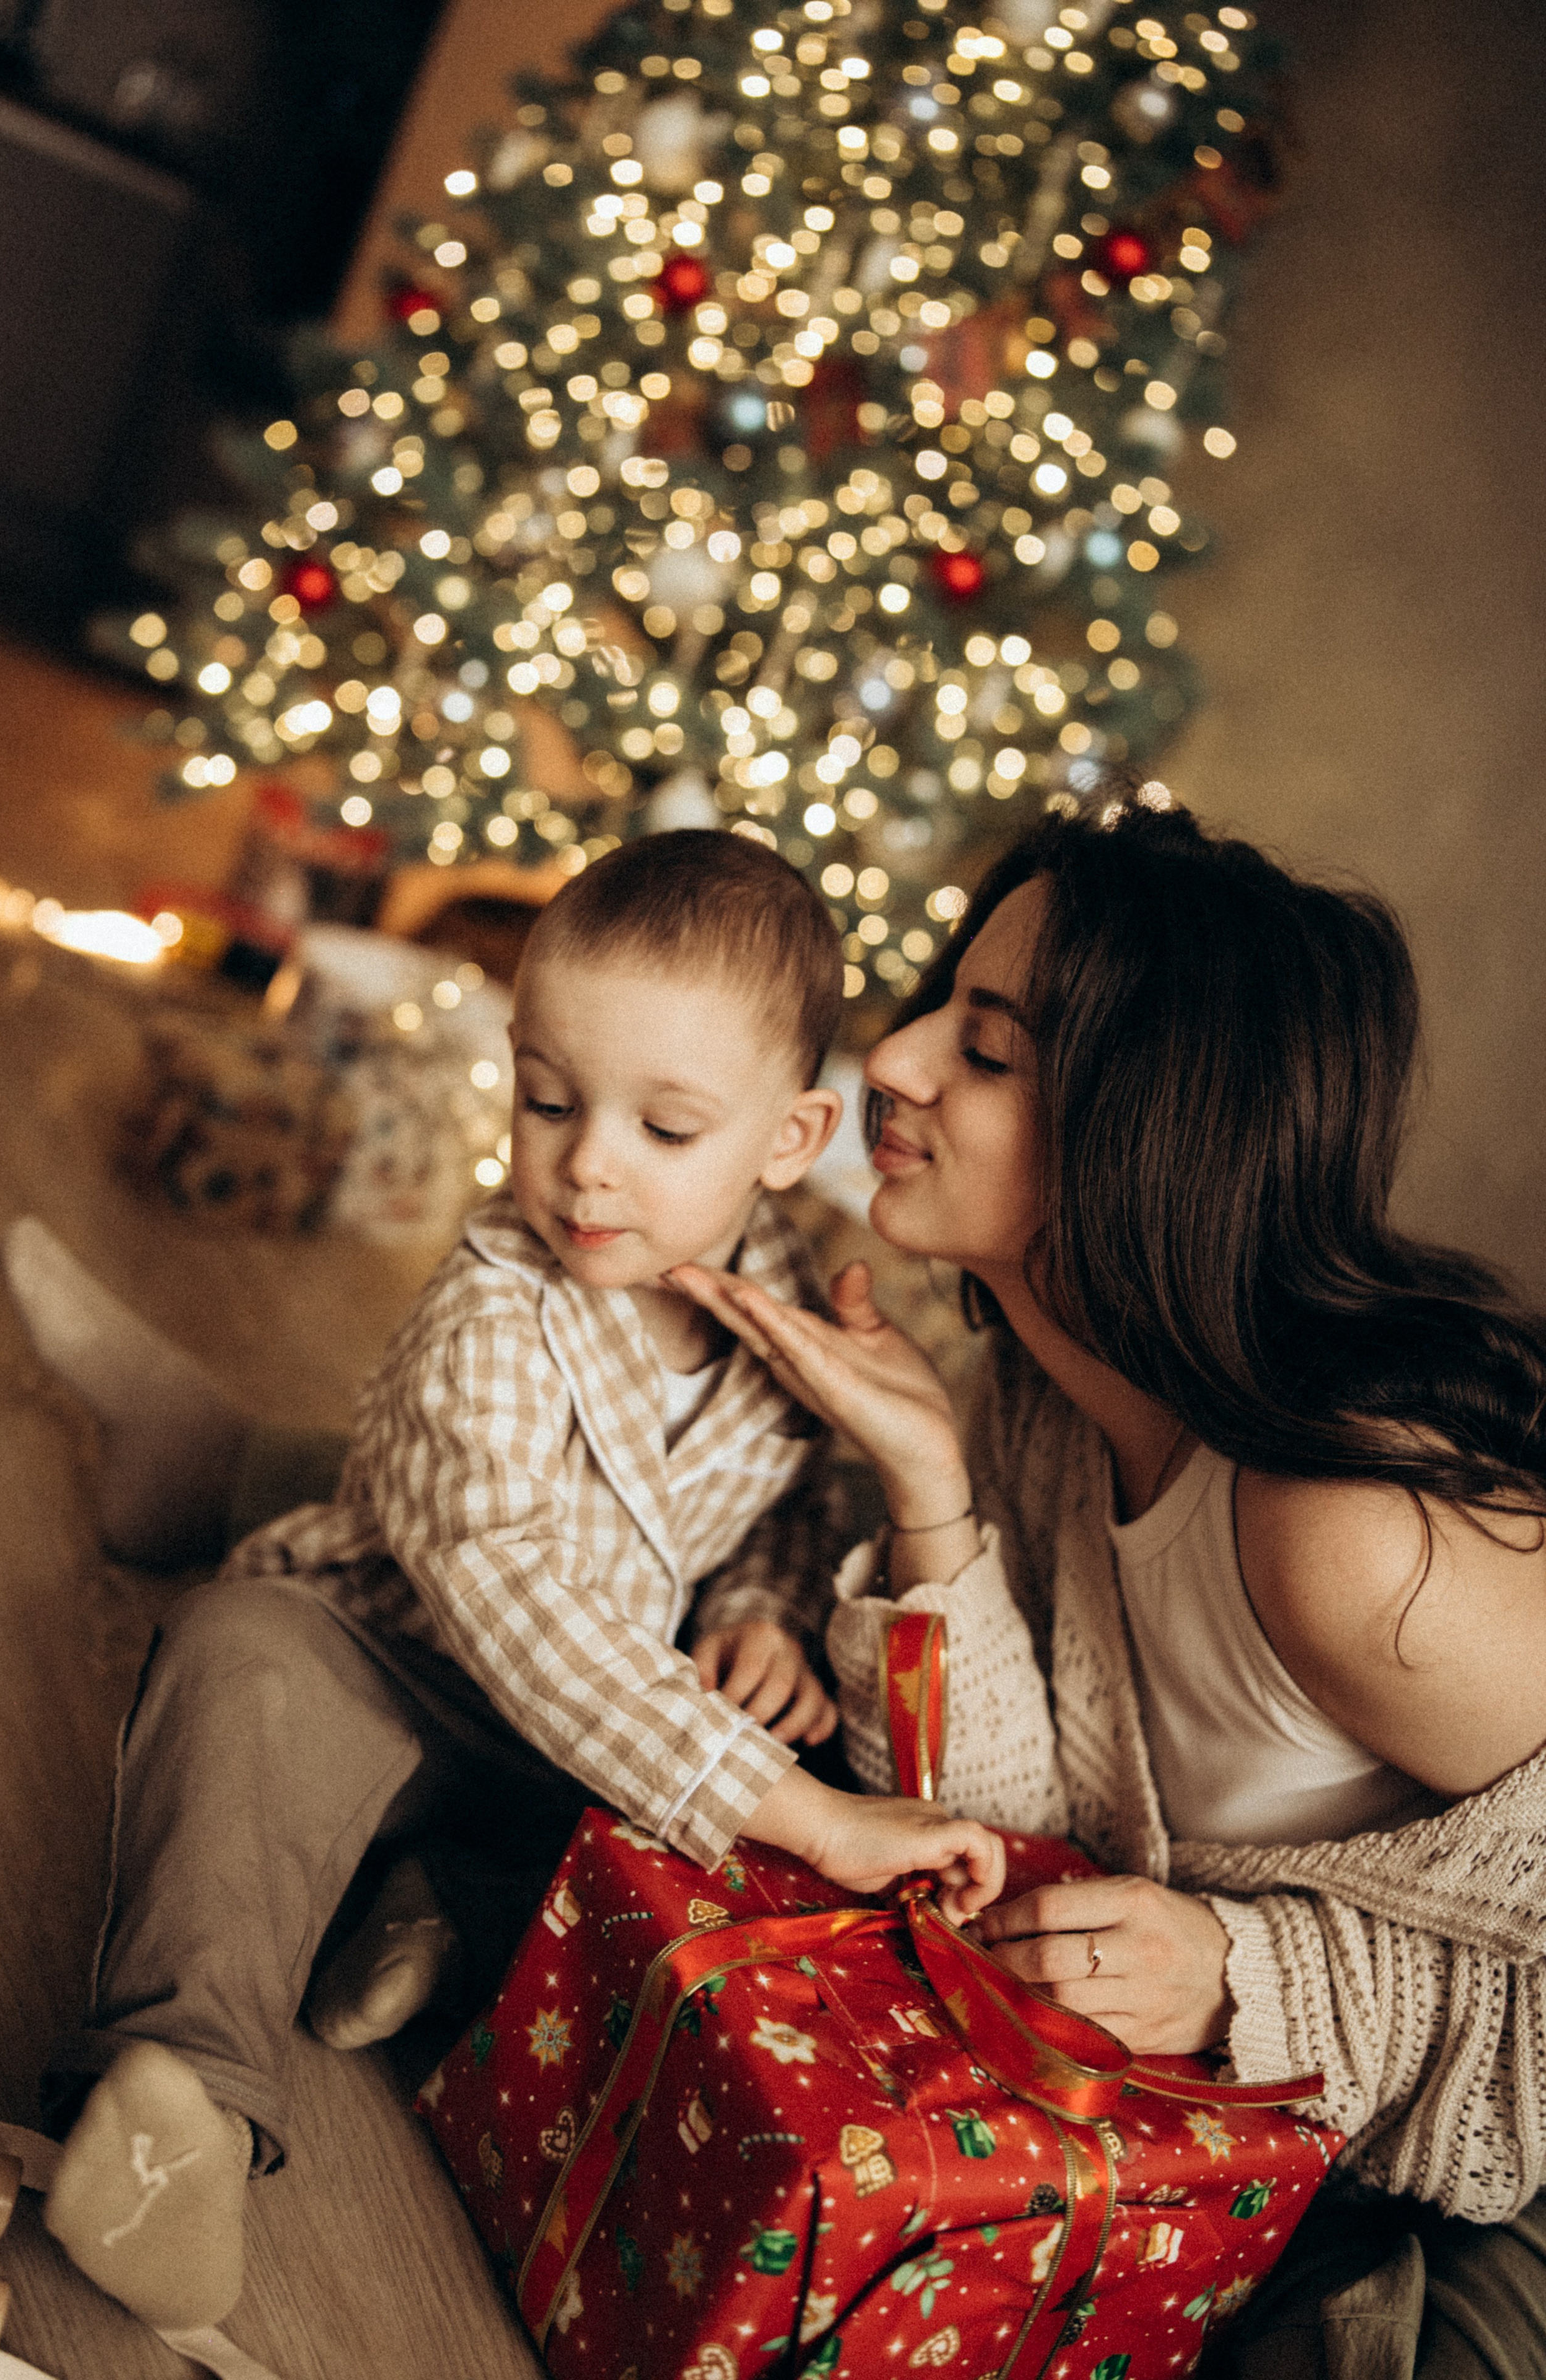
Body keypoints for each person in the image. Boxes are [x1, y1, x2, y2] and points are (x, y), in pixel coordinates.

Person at [25, 831, 1004, 2334]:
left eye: (663, 1128)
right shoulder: (494, 1309)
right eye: (548, 1099)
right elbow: (511, 1602)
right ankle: (182, 2092)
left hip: (582, 1756)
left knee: (731, 1829)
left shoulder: (797, 1300)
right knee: (240, 1659)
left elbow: (795, 1492)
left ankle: (440, 1907)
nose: (584, 1161)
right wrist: (793, 1804)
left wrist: (761, 1608)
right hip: (405, 1665)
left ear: (789, 1139)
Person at [671, 797, 1546, 2378]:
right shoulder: (1039, 1397)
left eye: (986, 1053)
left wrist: (1243, 1973)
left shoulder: (1348, 1531)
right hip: (1227, 2138)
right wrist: (929, 1487)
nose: (892, 1060)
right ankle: (230, 1459)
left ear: (1153, 1127)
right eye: (944, 1007)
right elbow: (1010, 1839)